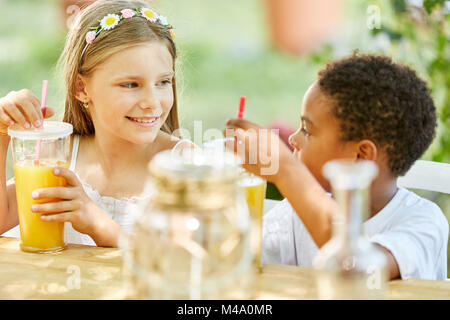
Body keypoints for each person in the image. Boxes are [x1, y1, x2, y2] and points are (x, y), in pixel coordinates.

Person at [226, 53, 449, 280]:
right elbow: (235, 260)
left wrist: (286, 170)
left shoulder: (423, 222)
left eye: (307, 130)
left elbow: (357, 270)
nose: (293, 139)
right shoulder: (295, 214)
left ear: (361, 155)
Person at [0, 0, 193, 247]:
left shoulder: (185, 164)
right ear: (82, 88)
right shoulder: (62, 155)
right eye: (131, 84)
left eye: (163, 82)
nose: (152, 102)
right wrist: (2, 134)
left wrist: (96, 223)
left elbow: (180, 260)